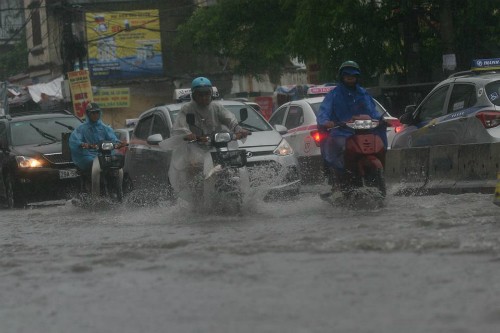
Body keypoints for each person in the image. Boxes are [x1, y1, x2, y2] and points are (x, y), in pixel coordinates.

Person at [316, 60, 387, 192]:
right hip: (341, 131)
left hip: (363, 132)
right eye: (347, 75)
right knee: (334, 147)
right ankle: (337, 178)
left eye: (353, 75)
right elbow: (323, 112)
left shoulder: (363, 94)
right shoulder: (334, 94)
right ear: (342, 76)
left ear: (357, 76)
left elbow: (373, 112)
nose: (350, 77)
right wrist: (326, 122)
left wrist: (381, 120)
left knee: (380, 137)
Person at [172, 76, 249, 140]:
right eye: (200, 95)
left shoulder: (216, 107)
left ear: (211, 94)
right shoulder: (187, 108)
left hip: (216, 145)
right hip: (193, 147)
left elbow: (229, 119)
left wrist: (238, 129)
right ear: (194, 95)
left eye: (207, 94)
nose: (204, 98)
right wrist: (188, 135)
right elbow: (180, 127)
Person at [69, 102, 122, 173]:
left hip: (105, 155)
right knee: (94, 166)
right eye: (93, 113)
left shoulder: (105, 128)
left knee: (119, 167)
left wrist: (118, 142)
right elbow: (74, 140)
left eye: (97, 112)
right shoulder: (81, 129)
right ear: (88, 114)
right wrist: (82, 144)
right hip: (88, 155)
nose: (95, 115)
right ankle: (92, 182)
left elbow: (113, 138)